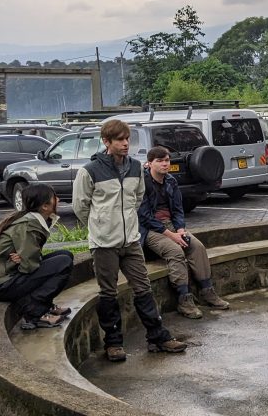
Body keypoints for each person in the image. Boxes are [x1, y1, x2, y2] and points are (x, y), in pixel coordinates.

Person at [72, 120, 187, 362]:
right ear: (106, 142)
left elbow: (137, 198)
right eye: (120, 140)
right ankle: (113, 343)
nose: (126, 144)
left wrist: (127, 224)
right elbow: (80, 207)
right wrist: (102, 225)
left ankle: (158, 337)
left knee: (143, 287)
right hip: (104, 243)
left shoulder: (136, 167)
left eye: (128, 139)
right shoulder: (90, 170)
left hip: (131, 241)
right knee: (108, 292)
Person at [139, 146, 230, 319]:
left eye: (167, 160)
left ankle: (207, 291)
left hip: (172, 226)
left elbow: (178, 210)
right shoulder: (143, 184)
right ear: (149, 163)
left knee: (197, 247)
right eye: (160, 161)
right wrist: (171, 235)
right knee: (175, 251)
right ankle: (184, 300)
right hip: (151, 230)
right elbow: (144, 217)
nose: (165, 164)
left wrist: (180, 229)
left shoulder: (171, 181)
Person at [0, 184, 74, 330]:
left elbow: (31, 257)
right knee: (63, 262)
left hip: (8, 275)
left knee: (64, 255)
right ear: (44, 206)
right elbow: (30, 265)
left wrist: (23, 259)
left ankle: (45, 306)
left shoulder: (32, 220)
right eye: (54, 198)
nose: (58, 199)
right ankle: (35, 312)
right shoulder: (28, 225)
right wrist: (23, 261)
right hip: (1, 284)